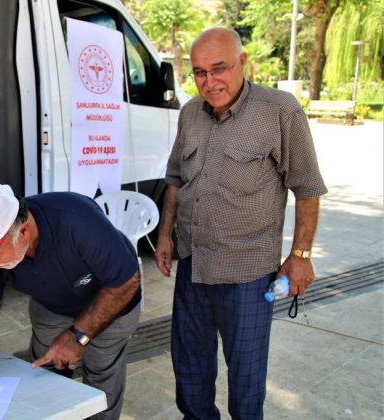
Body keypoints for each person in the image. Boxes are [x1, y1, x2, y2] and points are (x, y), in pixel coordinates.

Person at [154, 28, 327, 419]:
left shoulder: (280, 110)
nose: (210, 82)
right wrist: (165, 236)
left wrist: (300, 255)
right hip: (194, 265)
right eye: (199, 73)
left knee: (246, 383)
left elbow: (308, 188)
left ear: (243, 63)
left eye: (219, 69)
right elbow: (175, 180)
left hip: (247, 273)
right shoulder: (189, 114)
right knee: (190, 371)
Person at [0, 184, 142, 420]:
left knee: (100, 383)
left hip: (112, 300)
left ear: (24, 232)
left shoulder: (77, 220)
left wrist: (78, 336)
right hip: (52, 304)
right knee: (44, 376)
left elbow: (125, 282)